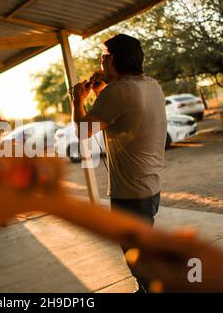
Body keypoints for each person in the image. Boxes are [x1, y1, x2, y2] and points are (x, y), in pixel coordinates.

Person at [71, 33, 167, 292]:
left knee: (137, 257)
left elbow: (82, 131)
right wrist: (101, 94)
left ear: (112, 59)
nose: (100, 63)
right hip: (150, 186)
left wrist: (77, 101)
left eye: (102, 57)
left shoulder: (118, 92)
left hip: (130, 193)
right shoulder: (152, 85)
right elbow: (120, 114)